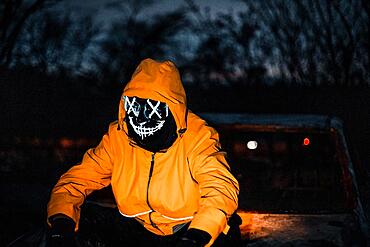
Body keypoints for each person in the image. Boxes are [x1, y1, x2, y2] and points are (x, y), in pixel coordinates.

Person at [46, 58, 240, 247]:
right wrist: (61, 222)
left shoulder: (197, 136)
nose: (141, 120)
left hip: (186, 229)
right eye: (135, 108)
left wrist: (198, 234)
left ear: (172, 109)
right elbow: (76, 180)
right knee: (80, 219)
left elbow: (220, 186)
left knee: (222, 231)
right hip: (138, 229)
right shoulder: (119, 137)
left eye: (153, 111)